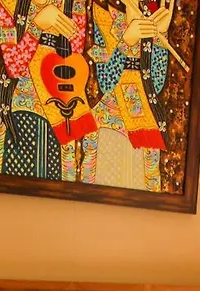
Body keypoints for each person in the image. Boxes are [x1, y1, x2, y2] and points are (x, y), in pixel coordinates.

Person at [0, 0, 99, 181]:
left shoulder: (73, 4)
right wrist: (37, 25)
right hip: (18, 110)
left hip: (60, 110)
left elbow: (74, 58)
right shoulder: (8, 3)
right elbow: (14, 66)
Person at [81, 0, 174, 191]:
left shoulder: (151, 17)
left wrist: (160, 36)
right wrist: (126, 42)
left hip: (145, 116)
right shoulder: (105, 13)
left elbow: (156, 83)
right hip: (110, 118)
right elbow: (106, 81)